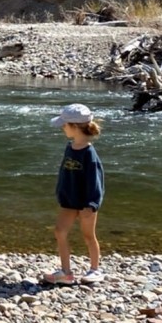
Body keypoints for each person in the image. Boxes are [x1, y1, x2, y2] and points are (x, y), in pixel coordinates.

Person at [41, 103, 104, 287]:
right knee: (60, 231)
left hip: (86, 203)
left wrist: (92, 204)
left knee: (88, 236)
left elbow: (96, 180)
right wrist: (60, 192)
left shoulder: (89, 153)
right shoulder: (70, 147)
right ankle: (66, 272)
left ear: (75, 127)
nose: (62, 128)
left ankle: (95, 269)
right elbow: (65, 173)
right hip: (69, 200)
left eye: (64, 125)